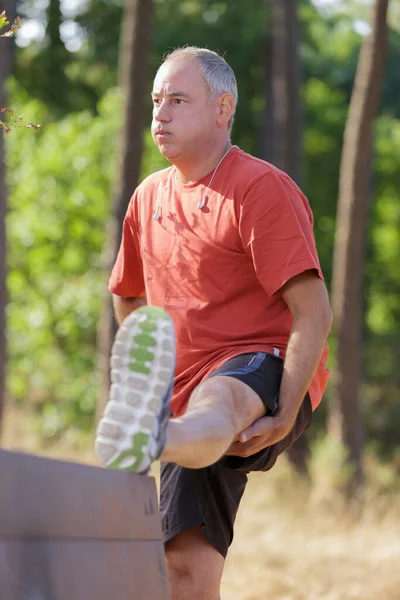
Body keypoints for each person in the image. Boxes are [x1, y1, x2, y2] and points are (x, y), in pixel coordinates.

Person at [95, 47, 332, 600]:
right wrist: (152, 379)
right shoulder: (147, 196)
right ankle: (156, 426)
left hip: (264, 363)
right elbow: (127, 297)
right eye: (156, 101)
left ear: (223, 109)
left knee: (216, 401)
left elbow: (314, 310)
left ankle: (154, 433)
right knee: (183, 573)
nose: (161, 114)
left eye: (178, 100)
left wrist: (287, 407)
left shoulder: (260, 188)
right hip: (186, 391)